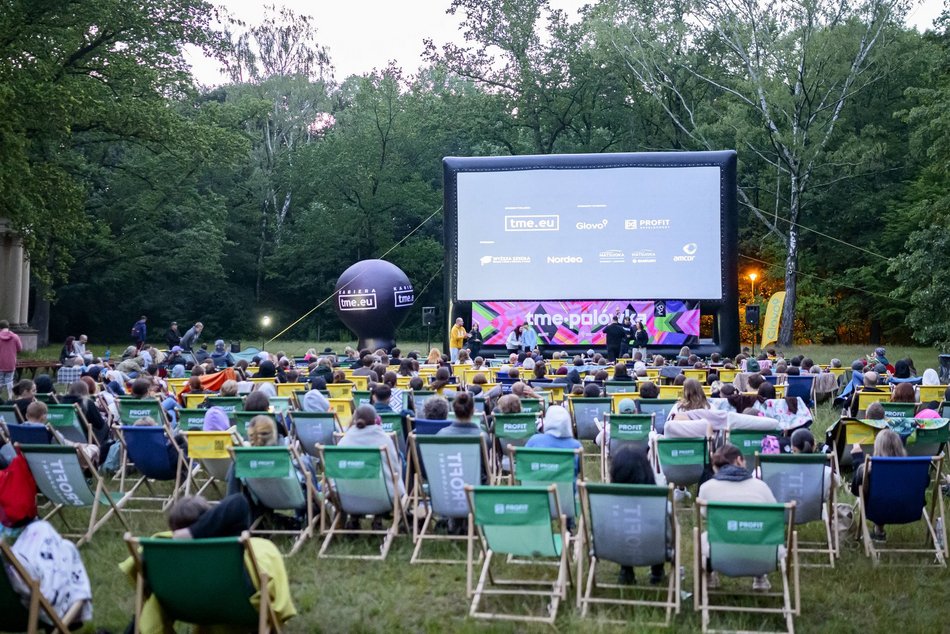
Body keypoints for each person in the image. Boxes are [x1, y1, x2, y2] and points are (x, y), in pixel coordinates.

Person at [697, 443, 778, 591]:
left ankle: (708, 576)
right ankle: (760, 577)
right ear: (740, 460)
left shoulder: (707, 488)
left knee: (704, 537)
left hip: (721, 553)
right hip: (761, 553)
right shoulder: (760, 487)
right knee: (761, 531)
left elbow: (704, 514)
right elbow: (774, 517)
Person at [610, 446, 667, 585]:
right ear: (648, 471)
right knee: (660, 530)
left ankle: (626, 571)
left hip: (614, 545)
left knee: (622, 528)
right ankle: (657, 572)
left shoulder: (608, 504)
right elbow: (669, 531)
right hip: (653, 546)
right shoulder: (659, 502)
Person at [850, 429, 906, 541]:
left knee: (879, 496)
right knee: (888, 494)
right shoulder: (911, 469)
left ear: (877, 447)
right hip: (906, 509)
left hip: (874, 508)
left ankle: (878, 531)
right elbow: (925, 483)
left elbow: (856, 490)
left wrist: (857, 458)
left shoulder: (870, 469)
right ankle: (879, 531)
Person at [338, 404, 405, 499]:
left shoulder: (344, 441)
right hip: (384, 498)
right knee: (400, 459)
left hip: (349, 498)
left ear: (355, 419)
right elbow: (395, 469)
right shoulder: (384, 440)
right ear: (376, 420)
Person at [0, 319, 22, 400]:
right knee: (9, 380)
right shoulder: (15, 337)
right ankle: (10, 397)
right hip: (11, 362)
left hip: (0, 362)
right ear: (8, 327)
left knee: (0, 380)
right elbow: (20, 348)